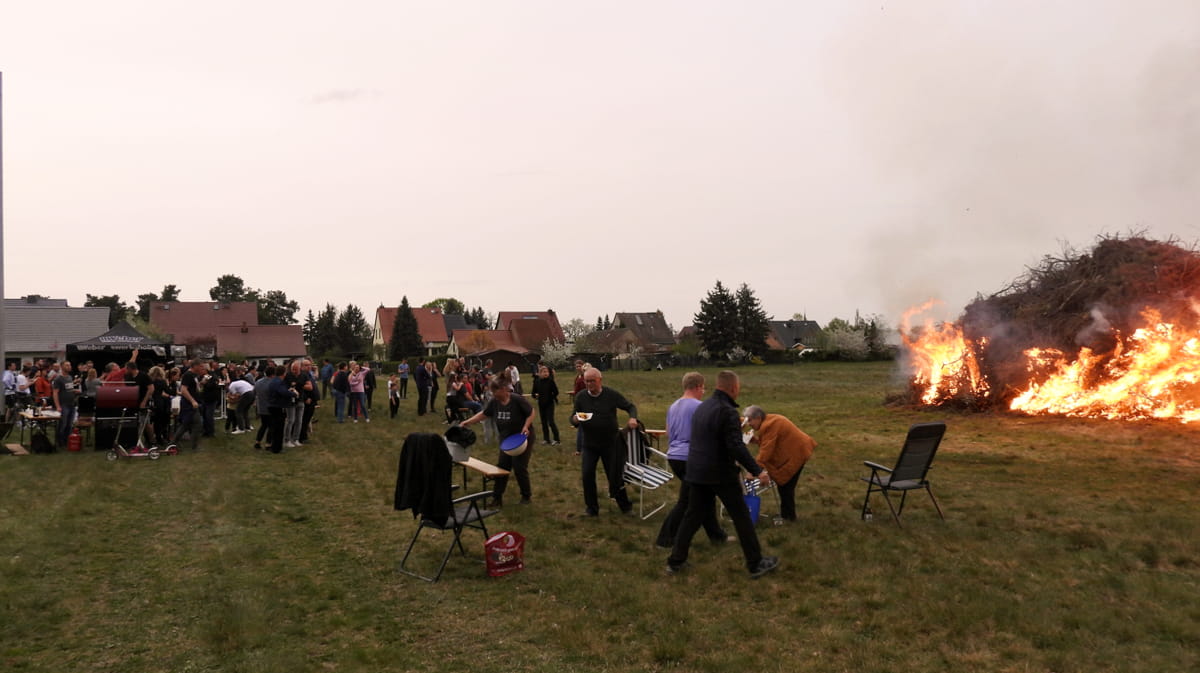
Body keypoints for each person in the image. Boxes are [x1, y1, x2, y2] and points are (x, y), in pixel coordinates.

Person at [667, 371, 779, 578]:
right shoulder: (727, 412)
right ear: (734, 388)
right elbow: (736, 446)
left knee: (692, 516)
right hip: (720, 473)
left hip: (696, 471)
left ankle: (675, 561)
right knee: (741, 516)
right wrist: (758, 471)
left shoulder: (703, 408)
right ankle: (755, 563)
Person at [656, 372, 730, 549]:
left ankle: (717, 536)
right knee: (688, 501)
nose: (703, 392)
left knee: (704, 495)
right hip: (692, 458)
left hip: (674, 456)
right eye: (703, 388)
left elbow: (668, 432)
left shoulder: (673, 406)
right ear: (698, 386)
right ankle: (665, 539)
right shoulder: (699, 407)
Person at [571, 367, 637, 516]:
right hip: (590, 444)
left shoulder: (610, 394)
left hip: (610, 443)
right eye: (586, 381)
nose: (589, 384)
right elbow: (573, 417)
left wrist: (632, 418)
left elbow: (630, 406)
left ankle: (625, 507)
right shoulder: (581, 397)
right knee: (587, 475)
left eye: (592, 381)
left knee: (615, 475)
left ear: (600, 380)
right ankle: (591, 509)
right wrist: (575, 419)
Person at [460, 378, 536, 507]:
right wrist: (467, 422)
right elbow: (484, 414)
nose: (493, 394)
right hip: (506, 439)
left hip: (522, 438)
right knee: (502, 467)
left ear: (504, 389)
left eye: (495, 391)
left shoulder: (517, 400)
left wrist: (526, 426)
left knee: (519, 466)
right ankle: (497, 498)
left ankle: (526, 496)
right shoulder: (494, 402)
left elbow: (531, 412)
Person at [742, 405, 816, 522]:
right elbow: (769, 441)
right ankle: (787, 515)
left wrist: (753, 471)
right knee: (785, 486)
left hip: (798, 452)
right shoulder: (769, 421)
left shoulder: (770, 425)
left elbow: (766, 450)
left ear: (758, 418)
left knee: (786, 485)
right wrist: (755, 440)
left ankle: (788, 517)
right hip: (795, 451)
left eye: (750, 420)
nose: (749, 424)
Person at [173, 359, 207, 450]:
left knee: (186, 424)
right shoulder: (188, 375)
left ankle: (174, 443)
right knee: (197, 424)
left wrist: (201, 384)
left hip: (193, 403)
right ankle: (194, 446)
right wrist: (192, 401)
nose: (202, 368)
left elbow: (193, 388)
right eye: (201, 366)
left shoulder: (194, 375)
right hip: (188, 404)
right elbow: (183, 390)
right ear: (195, 366)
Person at [51, 361, 79, 449]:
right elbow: (55, 393)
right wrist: (58, 406)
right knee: (63, 424)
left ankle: (67, 441)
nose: (69, 366)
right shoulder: (58, 379)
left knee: (69, 424)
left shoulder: (70, 377)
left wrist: (75, 391)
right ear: (62, 367)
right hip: (63, 404)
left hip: (71, 403)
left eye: (70, 365)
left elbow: (69, 389)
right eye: (67, 365)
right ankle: (60, 441)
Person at [531, 364, 561, 445]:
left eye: (547, 372)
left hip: (549, 404)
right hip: (541, 404)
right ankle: (546, 439)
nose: (546, 373)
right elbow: (533, 393)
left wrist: (551, 397)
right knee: (544, 422)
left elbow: (556, 392)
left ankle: (557, 439)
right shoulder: (537, 382)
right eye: (544, 372)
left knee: (551, 421)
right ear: (540, 373)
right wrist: (535, 396)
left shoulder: (550, 381)